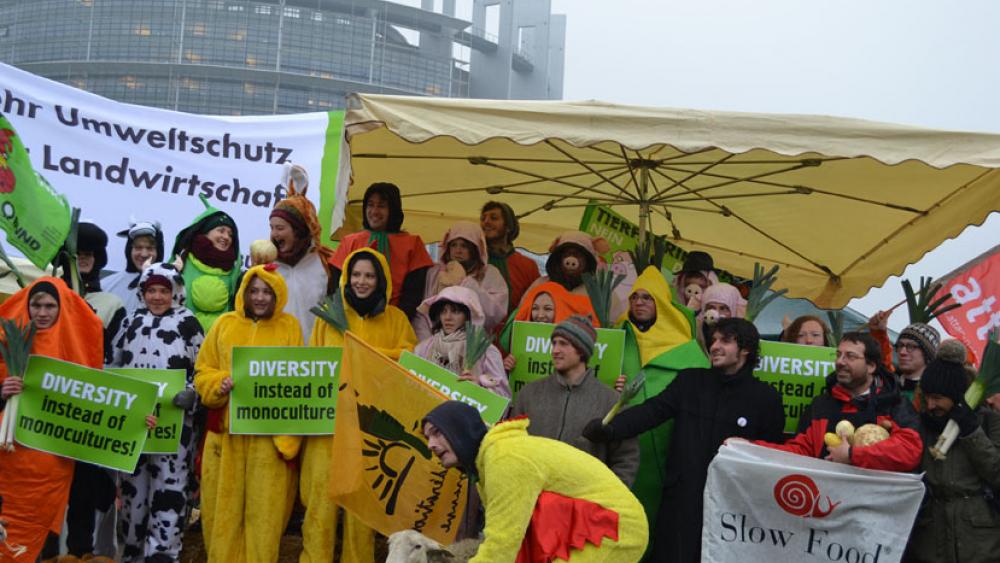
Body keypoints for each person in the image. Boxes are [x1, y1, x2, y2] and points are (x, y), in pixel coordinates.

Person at [582, 318, 785, 563]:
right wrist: (610, 429)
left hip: (732, 510)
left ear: (746, 349)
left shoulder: (765, 399)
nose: (715, 346)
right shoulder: (690, 382)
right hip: (682, 502)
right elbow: (651, 411)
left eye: (726, 341)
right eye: (714, 340)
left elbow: (771, 457)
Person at [302, 248, 417, 563]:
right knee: (319, 509)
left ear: (381, 280)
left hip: (372, 431)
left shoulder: (396, 319)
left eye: (369, 275)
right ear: (346, 278)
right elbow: (314, 365)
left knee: (361, 516)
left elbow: (409, 363)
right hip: (329, 428)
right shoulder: (327, 316)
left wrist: (367, 354)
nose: (362, 281)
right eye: (355, 275)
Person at [423, 401, 649, 562]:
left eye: (436, 433)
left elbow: (501, 546)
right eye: (427, 437)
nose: (430, 444)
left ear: (458, 430)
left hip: (616, 527)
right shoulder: (490, 461)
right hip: (596, 523)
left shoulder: (504, 458)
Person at [194, 264, 302, 563]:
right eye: (253, 290)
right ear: (243, 291)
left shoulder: (289, 327)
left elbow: (299, 382)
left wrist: (289, 439)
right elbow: (203, 371)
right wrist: (219, 383)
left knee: (265, 518)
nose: (260, 297)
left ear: (277, 294)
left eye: (267, 291)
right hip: (226, 440)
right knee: (221, 516)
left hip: (268, 441)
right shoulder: (224, 324)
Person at [0, 278, 104, 562]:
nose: (42, 313)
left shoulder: (77, 350)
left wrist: (137, 423)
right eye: (36, 305)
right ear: (26, 306)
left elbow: (100, 405)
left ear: (61, 309)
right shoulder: (5, 343)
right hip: (10, 466)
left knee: (43, 539)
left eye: (50, 306)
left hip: (53, 468)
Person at [109, 263, 204, 563]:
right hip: (134, 427)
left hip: (176, 428)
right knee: (133, 490)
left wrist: (194, 394)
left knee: (170, 489)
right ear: (143, 291)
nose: (158, 297)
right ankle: (132, 550)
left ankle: (163, 554)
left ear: (175, 291)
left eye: (164, 290)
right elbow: (112, 366)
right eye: (152, 290)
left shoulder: (189, 323)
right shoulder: (130, 323)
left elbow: (203, 368)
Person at [613, 266, 708, 555]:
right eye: (634, 297)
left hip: (668, 452)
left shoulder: (687, 350)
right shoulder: (614, 340)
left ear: (662, 304)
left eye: (647, 297)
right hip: (621, 450)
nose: (639, 302)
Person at [56, 220, 126, 560]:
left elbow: (113, 352)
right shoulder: (49, 294)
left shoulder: (110, 302)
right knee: (51, 477)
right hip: (53, 398)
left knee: (85, 481)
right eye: (77, 254)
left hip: (89, 399)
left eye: (89, 254)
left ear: (98, 258)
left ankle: (80, 549)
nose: (84, 259)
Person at [753, 332, 923, 471]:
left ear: (871, 366)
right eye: (838, 355)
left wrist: (851, 455)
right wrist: (751, 448)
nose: (840, 362)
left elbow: (909, 450)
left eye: (850, 356)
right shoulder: (821, 405)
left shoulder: (894, 404)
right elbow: (800, 452)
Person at [511, 316, 639, 485]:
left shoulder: (611, 401)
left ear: (581, 350)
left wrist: (606, 501)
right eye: (554, 343)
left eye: (563, 344)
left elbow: (626, 458)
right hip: (531, 497)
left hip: (583, 504)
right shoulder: (529, 393)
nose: (555, 350)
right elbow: (511, 444)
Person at [903, 340, 1000, 563]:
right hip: (932, 540)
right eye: (926, 397)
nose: (931, 405)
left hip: (980, 541)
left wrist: (971, 432)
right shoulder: (922, 424)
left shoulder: (988, 422)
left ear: (956, 396)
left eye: (937, 398)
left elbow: (996, 472)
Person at [328, 182, 434, 319]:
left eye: (381, 206)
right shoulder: (349, 241)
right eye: (370, 205)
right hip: (352, 321)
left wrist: (394, 322)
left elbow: (413, 295)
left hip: (396, 322)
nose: (374, 211)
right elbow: (335, 289)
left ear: (393, 209)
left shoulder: (413, 244)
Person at [415, 286, 510, 399]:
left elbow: (503, 398)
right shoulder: (423, 348)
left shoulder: (487, 351)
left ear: (468, 315)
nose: (447, 317)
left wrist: (478, 388)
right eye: (443, 311)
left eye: (455, 311)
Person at [417, 222, 508, 340]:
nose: (458, 251)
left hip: (473, 345)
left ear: (475, 249)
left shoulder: (490, 274)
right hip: (435, 343)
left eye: (464, 246)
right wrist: (427, 343)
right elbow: (422, 313)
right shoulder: (435, 273)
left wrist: (465, 283)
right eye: (454, 245)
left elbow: (495, 314)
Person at [270, 182, 333, 342]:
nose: (274, 234)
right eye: (272, 227)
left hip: (314, 357)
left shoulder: (326, 263)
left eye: (280, 228)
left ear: (298, 231)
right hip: (275, 357)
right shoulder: (266, 265)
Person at [170, 195, 243, 332]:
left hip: (218, 344)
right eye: (221, 231)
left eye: (230, 234)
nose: (226, 237)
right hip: (180, 340)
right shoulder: (182, 261)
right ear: (205, 233)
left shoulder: (235, 271)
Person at [522, 231, 624, 321]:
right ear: (558, 259)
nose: (571, 260)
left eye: (578, 255)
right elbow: (521, 317)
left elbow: (615, 327)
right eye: (566, 254)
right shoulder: (540, 285)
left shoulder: (601, 291)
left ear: (588, 261)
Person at [498, 280, 599, 370]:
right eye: (535, 308)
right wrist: (508, 365)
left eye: (548, 309)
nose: (540, 315)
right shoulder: (519, 341)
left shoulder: (579, 344)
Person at [480, 201, 540, 311]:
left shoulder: (528, 265)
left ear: (508, 226)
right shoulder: (474, 260)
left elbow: (536, 304)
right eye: (483, 219)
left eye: (494, 218)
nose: (486, 222)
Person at [103, 219, 165, 315]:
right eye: (138, 247)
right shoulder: (106, 286)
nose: (144, 254)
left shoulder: (171, 286)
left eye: (150, 248)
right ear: (129, 250)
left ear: (159, 251)